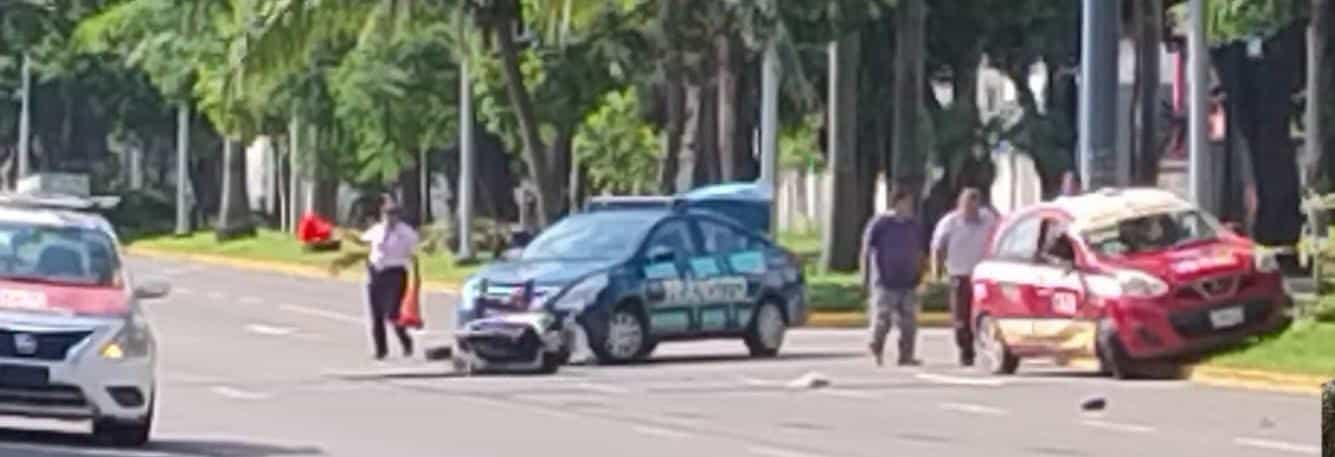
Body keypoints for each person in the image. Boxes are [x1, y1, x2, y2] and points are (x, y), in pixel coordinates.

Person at [930, 188, 998, 367]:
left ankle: (987, 347)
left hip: (982, 275)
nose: (972, 210)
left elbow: (1000, 232)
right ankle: (965, 351)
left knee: (984, 314)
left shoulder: (988, 219)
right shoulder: (949, 222)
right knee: (961, 317)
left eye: (975, 205)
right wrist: (936, 271)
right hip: (959, 274)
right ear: (960, 205)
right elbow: (937, 247)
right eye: (968, 205)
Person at [861, 190, 925, 367]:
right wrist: (865, 277)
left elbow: (920, 251)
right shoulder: (881, 224)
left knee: (909, 322)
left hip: (909, 280)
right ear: (896, 203)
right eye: (905, 203)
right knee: (883, 320)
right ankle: (876, 348)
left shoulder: (913, 225)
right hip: (885, 280)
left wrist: (920, 274)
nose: (908, 207)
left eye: (910, 204)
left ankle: (906, 355)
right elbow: (867, 251)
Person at [352, 195, 420, 360]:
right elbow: (363, 244)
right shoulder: (376, 230)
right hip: (376, 273)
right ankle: (381, 350)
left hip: (395, 274)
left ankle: (406, 341)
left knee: (393, 314)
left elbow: (414, 252)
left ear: (398, 216)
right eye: (387, 214)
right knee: (376, 315)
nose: (390, 218)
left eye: (393, 214)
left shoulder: (406, 233)